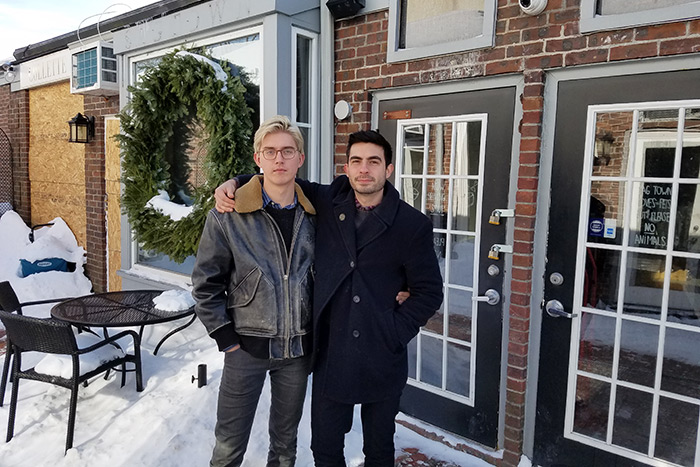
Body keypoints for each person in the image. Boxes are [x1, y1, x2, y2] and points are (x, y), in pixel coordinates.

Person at [215, 130, 443, 466]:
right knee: (325, 449)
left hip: (382, 354)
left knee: (379, 449)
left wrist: (395, 331)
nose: (364, 169)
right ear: (347, 168)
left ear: (389, 169)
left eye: (373, 162)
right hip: (331, 354)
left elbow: (429, 292)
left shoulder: (412, 225)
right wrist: (234, 182)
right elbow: (279, 175)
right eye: (356, 161)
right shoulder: (328, 200)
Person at [192, 115, 316, 467]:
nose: (279, 159)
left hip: (297, 350)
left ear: (300, 159)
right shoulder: (227, 215)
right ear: (257, 158)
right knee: (229, 446)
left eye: (287, 151)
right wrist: (224, 334)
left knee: (285, 444)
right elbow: (206, 282)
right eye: (270, 152)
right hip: (245, 346)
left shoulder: (316, 212)